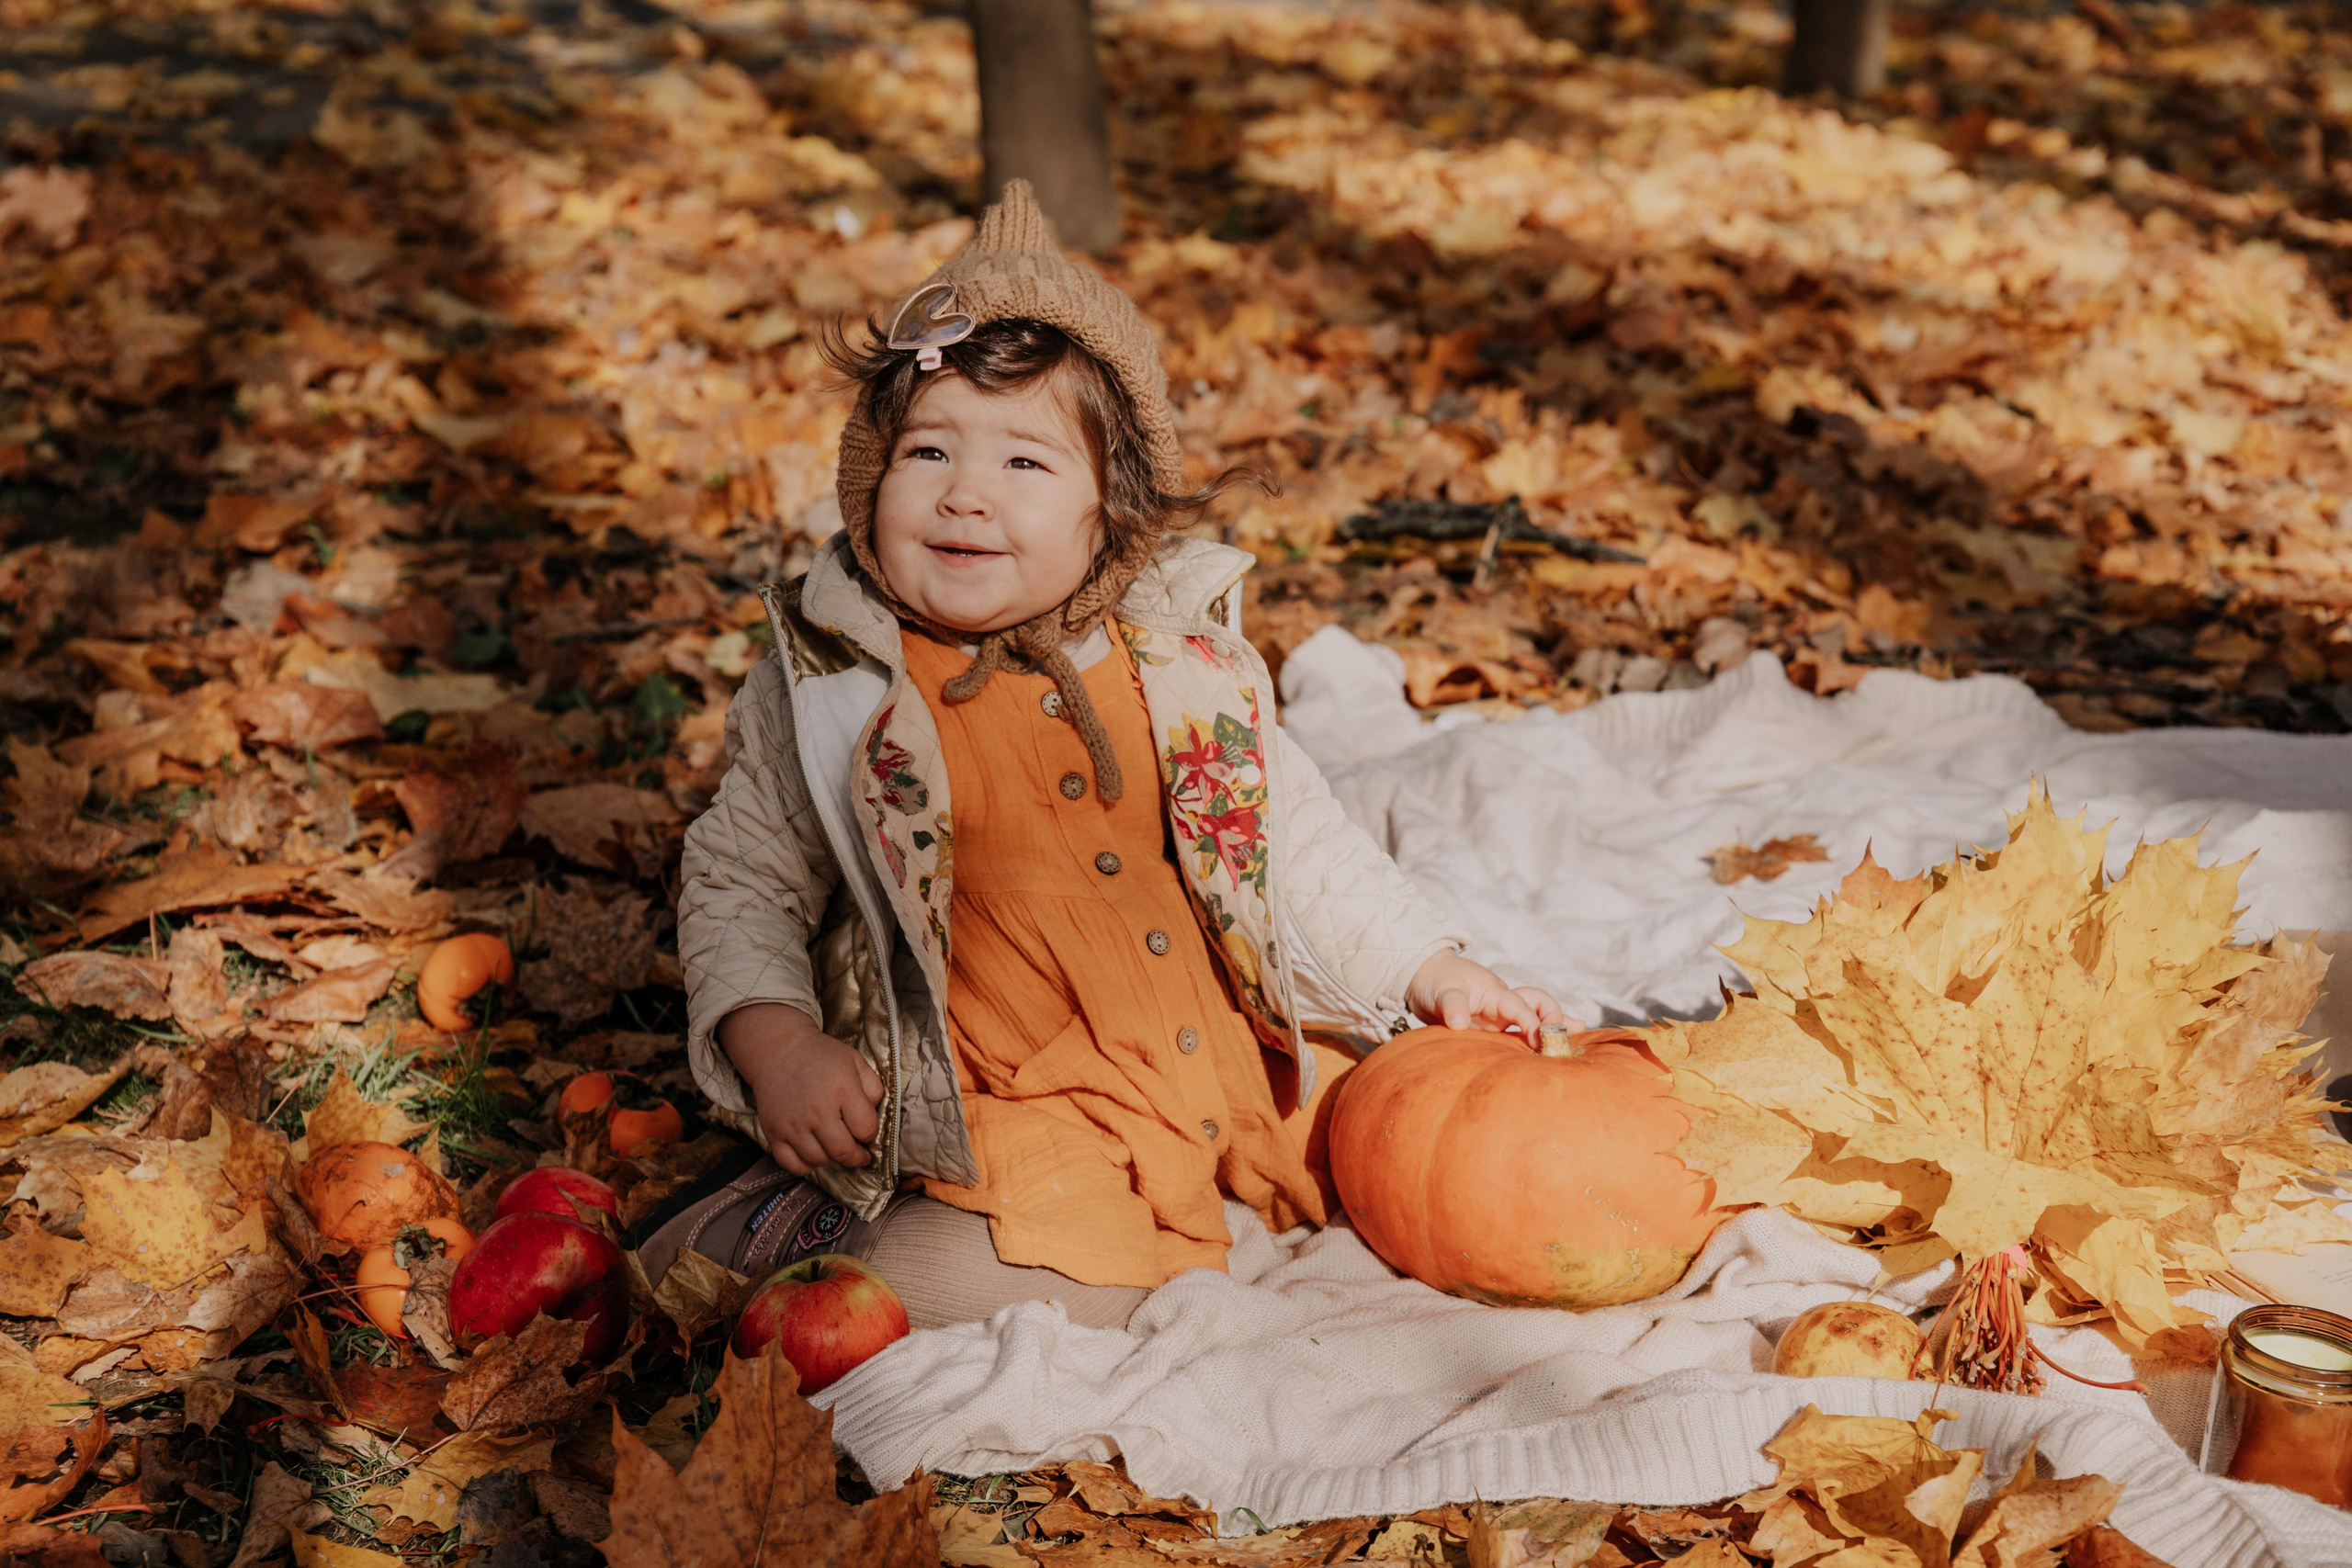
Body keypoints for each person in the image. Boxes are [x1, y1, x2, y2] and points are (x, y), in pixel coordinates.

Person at [641, 180, 1565, 1330]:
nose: (966, 496)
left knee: (1405, 1135)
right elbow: (741, 877)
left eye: (1024, 465)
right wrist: (777, 1046)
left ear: (1111, 509)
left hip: (1209, 1056)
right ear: (870, 479)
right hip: (1007, 1091)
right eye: (929, 452)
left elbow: (1297, 849)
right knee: (1061, 1279)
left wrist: (1430, 970)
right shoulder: (837, 687)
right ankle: (779, 1237)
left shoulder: (1177, 668)